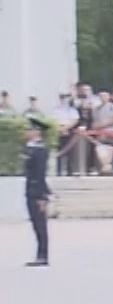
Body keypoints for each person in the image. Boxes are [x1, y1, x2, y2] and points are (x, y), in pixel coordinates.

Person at [22, 114, 52, 266]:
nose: (26, 132)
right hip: (31, 190)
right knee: (35, 224)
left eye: (29, 129)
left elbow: (40, 174)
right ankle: (40, 254)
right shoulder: (30, 148)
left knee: (40, 225)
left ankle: (43, 255)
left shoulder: (40, 150)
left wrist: (42, 196)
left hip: (36, 192)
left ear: (37, 132)